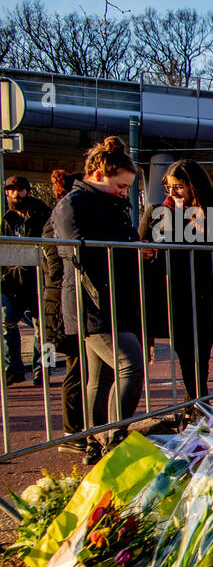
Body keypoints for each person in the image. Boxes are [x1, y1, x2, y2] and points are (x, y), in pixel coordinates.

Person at [49, 137, 144, 459]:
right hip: (92, 302)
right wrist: (129, 247)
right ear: (100, 175)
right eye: (121, 185)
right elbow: (79, 249)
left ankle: (94, 441)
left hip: (112, 299)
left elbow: (125, 240)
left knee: (100, 377)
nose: (124, 192)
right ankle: (114, 437)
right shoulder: (73, 204)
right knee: (128, 365)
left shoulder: (110, 205)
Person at [140, 159, 213, 407]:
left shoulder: (212, 214)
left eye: (179, 187)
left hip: (204, 289)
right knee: (185, 347)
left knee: (203, 348)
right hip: (170, 290)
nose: (172, 193)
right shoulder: (156, 211)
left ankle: (197, 400)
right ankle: (195, 400)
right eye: (169, 187)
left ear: (194, 187)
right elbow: (140, 247)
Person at [41, 170, 87, 456]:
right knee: (76, 366)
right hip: (62, 301)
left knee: (80, 366)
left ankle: (79, 430)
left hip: (67, 299)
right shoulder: (58, 220)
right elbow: (56, 270)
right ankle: (72, 432)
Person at [3, 175, 52, 384]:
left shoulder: (41, 214)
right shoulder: (6, 219)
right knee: (7, 323)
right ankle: (12, 369)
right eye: (12, 189)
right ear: (6, 192)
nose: (16, 193)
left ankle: (43, 370)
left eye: (20, 189)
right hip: (11, 282)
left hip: (38, 280)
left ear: (28, 191)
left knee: (44, 328)